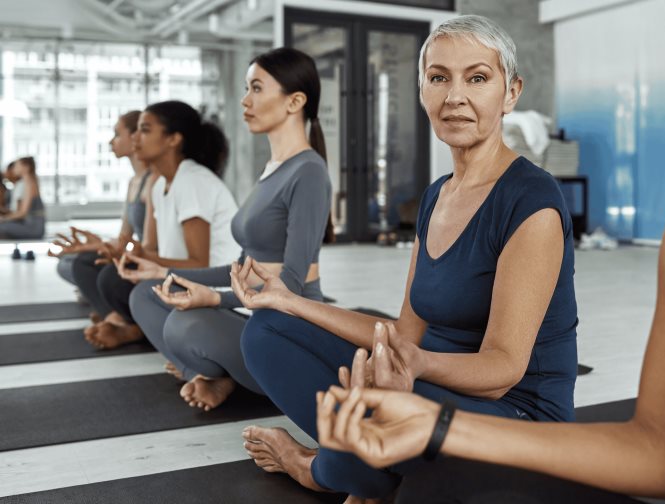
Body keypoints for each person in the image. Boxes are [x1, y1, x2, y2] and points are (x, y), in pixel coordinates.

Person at [316, 1, 665, 503]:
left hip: (518, 397)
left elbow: (501, 365)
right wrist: (436, 427)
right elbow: (663, 452)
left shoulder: (531, 196)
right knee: (435, 487)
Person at [232, 14, 578, 502]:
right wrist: (288, 301)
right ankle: (368, 468)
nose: (454, 96)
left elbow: (502, 372)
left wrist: (412, 366)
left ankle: (314, 467)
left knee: (369, 415)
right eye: (438, 78)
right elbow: (403, 334)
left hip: (518, 419)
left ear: (511, 92)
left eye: (477, 78)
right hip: (429, 388)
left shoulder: (532, 200)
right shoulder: (436, 197)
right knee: (266, 330)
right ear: (422, 92)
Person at [127, 47, 333, 411]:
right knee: (147, 293)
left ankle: (216, 373)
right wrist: (164, 271)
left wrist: (216, 299)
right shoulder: (273, 168)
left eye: (256, 88)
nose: (245, 100)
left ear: (294, 101)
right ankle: (214, 375)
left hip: (289, 330)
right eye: (246, 88)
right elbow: (238, 269)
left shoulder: (309, 172)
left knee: (185, 324)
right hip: (257, 314)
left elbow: (293, 286)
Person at [84, 101, 240, 349]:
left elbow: (200, 264)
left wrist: (140, 257)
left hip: (214, 289)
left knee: (137, 292)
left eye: (145, 130)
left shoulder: (192, 181)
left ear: (173, 139)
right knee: (114, 276)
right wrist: (128, 255)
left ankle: (167, 341)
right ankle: (144, 329)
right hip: (184, 278)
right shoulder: (160, 185)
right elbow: (160, 254)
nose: (135, 137)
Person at [51, 111, 153, 318]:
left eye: (117, 134)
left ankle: (113, 316)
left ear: (136, 136)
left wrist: (114, 253)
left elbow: (148, 247)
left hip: (150, 258)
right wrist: (95, 246)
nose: (110, 142)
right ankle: (108, 308)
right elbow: (125, 238)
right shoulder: (134, 182)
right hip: (138, 254)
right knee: (68, 263)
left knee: (86, 267)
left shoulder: (154, 181)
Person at [0, 156, 46, 245]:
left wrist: (3, 219)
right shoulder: (29, 181)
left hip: (33, 228)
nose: (14, 169)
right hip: (30, 225)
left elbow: (22, 213)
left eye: (17, 166)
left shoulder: (30, 182)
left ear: (26, 167)